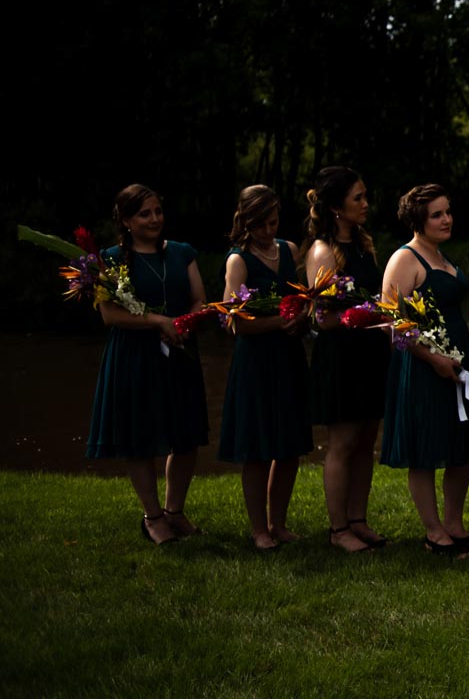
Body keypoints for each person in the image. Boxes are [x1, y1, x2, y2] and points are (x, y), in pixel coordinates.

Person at [86, 184, 210, 545]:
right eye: (144, 214)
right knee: (139, 439)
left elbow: (200, 300)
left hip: (180, 353)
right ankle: (152, 517)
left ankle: (174, 511)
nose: (155, 219)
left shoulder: (182, 253)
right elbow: (110, 315)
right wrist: (158, 322)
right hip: (134, 358)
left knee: (185, 435)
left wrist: (184, 324)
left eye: (158, 211)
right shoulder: (109, 261)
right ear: (125, 220)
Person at [380, 183, 469, 556]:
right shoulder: (405, 259)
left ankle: (455, 525)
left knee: (463, 445)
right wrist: (433, 357)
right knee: (426, 448)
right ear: (418, 220)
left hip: (458, 360)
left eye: (448, 212)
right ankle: (434, 532)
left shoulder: (441, 255)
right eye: (437, 214)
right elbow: (393, 322)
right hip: (424, 366)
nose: (447, 219)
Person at [219, 185, 314, 551]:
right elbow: (234, 323)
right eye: (261, 224)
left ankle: (279, 523)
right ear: (246, 221)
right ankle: (259, 529)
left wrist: (304, 317)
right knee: (258, 448)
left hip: (289, 358)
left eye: (273, 221)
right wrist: (280, 322)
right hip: (256, 362)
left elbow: (305, 298)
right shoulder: (238, 261)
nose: (269, 230)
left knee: (289, 445)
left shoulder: (289, 251)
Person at [303, 166, 389, 553]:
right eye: (358, 198)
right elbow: (323, 316)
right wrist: (368, 317)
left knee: (367, 440)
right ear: (337, 207)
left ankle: (358, 519)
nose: (365, 203)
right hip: (341, 355)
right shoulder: (323, 252)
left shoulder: (364, 245)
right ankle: (338, 530)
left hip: (370, 351)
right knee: (342, 442)